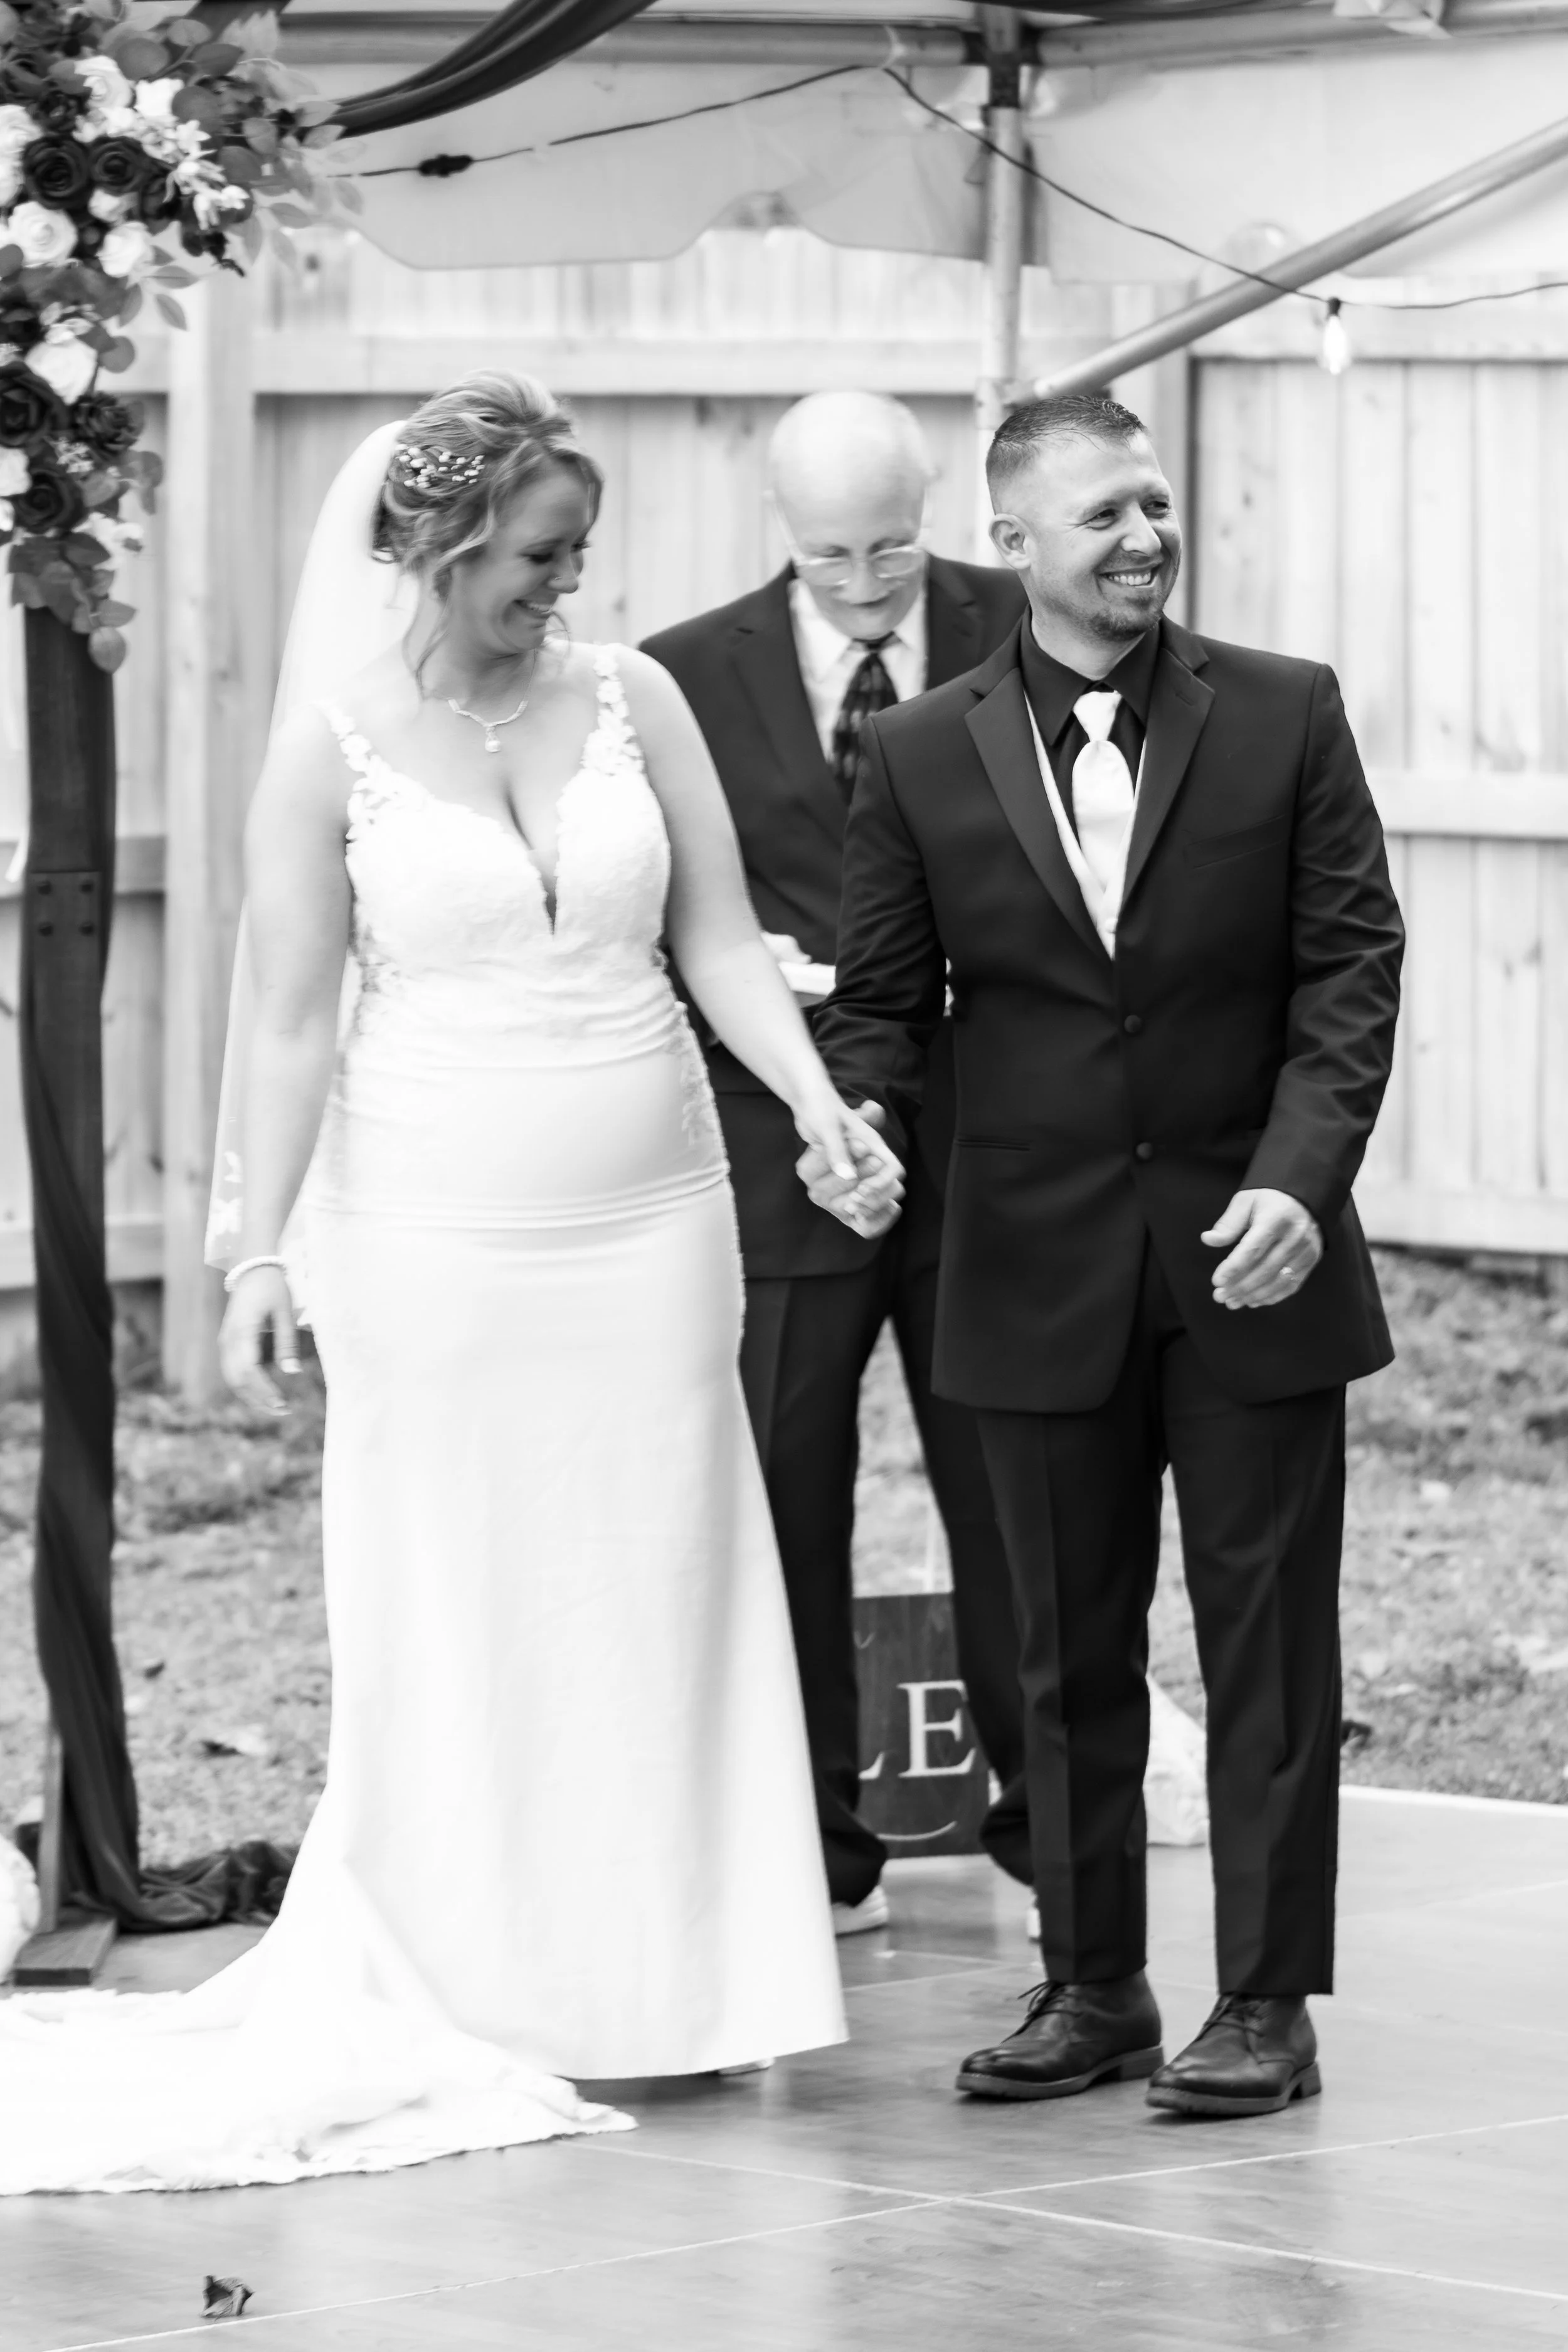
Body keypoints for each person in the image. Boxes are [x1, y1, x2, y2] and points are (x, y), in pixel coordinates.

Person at [0, 374, 901, 2196]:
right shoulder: (327, 745)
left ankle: (677, 1974)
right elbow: (284, 1013)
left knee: (665, 1569)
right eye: (535, 556)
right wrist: (260, 1242)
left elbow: (715, 934)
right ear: (437, 543)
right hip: (426, 1236)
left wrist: (818, 1110)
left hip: (655, 1222)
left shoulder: (634, 697)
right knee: (459, 1592)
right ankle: (476, 1972)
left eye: (578, 554)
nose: (563, 588)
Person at [808, 390, 1403, 2118]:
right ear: (1012, 544)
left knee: (1267, 1643)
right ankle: (1091, 1982)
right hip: (1025, 1261)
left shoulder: (1284, 713)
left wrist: (1302, 1179)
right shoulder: (918, 750)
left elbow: (1347, 967)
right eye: (1101, 517)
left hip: (1251, 1260)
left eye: (1153, 504)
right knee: (1059, 1647)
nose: (1143, 536)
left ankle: (1268, 1998)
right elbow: (881, 1008)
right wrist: (856, 1126)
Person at [642, 392, 1030, 1932]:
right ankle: (811, 1845)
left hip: (992, 1133)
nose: (865, 583)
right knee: (781, 1488)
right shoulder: (681, 673)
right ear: (775, 525)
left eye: (890, 546)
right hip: (770, 1139)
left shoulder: (1029, 626)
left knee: (1015, 1486)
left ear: (934, 505)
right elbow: (666, 912)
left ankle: (1050, 1823)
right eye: (828, 555)